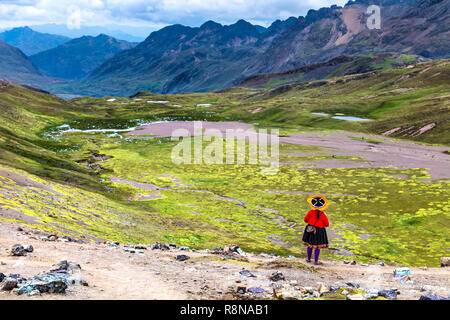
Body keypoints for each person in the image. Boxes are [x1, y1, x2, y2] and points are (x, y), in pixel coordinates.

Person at [302, 195, 330, 265]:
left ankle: (308, 259)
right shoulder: (323, 214)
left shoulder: (311, 212)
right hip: (319, 231)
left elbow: (305, 220)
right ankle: (316, 261)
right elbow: (327, 224)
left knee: (309, 245)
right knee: (317, 247)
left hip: (310, 229)